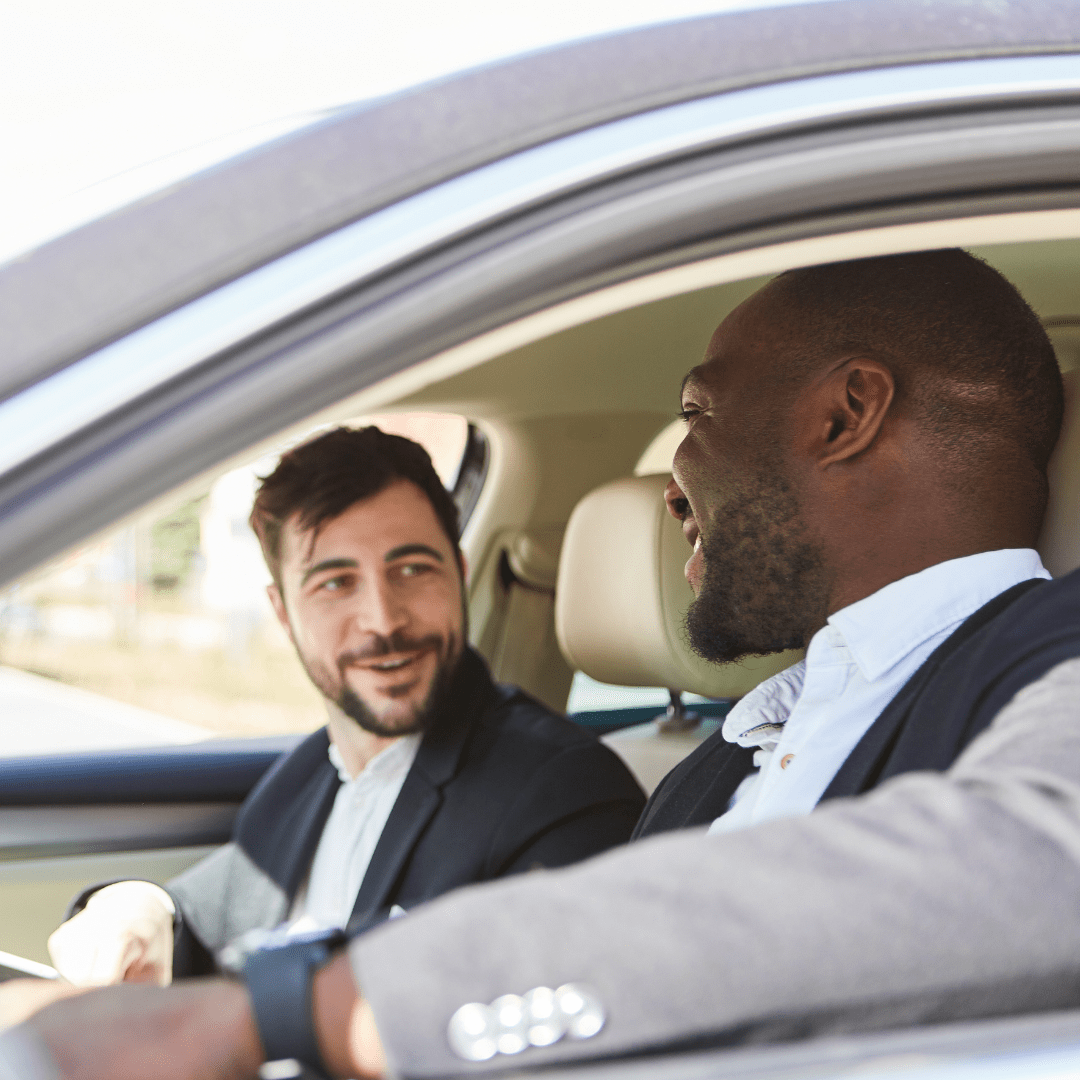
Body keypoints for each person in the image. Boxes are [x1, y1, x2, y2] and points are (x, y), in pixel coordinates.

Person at [10, 249, 1080, 1079]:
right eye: (332, 582)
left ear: (845, 416)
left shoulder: (1049, 659)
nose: (670, 485)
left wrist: (299, 1008)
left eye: (696, 416)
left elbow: (1040, 868)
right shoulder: (730, 758)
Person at [47, 426, 645, 985]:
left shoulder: (561, 791)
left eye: (412, 569)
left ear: (459, 575)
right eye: (335, 582)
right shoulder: (309, 775)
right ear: (283, 612)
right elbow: (215, 906)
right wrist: (141, 906)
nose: (383, 620)